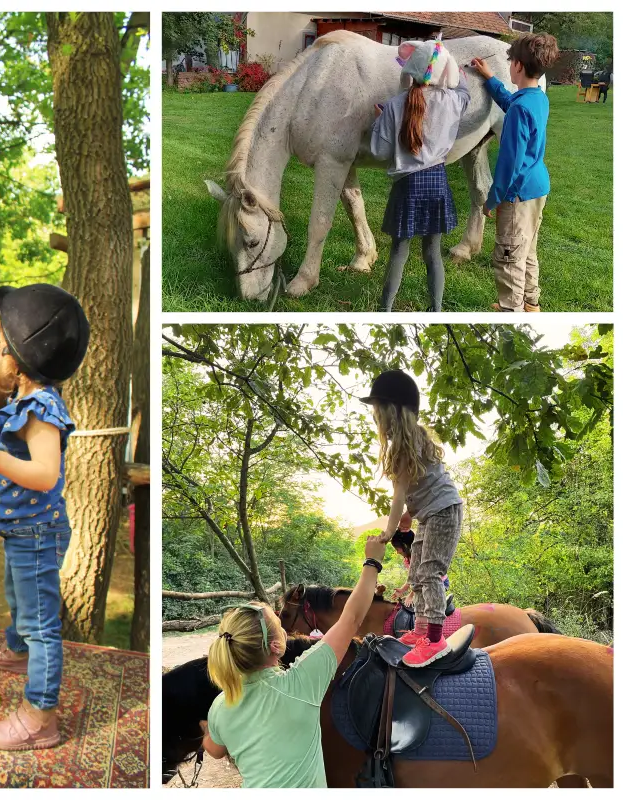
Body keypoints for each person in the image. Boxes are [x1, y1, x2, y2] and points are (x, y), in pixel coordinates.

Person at [0, 283, 90, 751]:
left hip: (36, 534)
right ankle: (17, 653)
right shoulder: (25, 403)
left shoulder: (42, 409)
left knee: (41, 624)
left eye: (3, 345)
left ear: (19, 359)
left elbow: (43, 473)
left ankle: (40, 717)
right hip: (22, 530)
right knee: (18, 602)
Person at [198, 537, 388, 787]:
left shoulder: (220, 706)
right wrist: (372, 561)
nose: (282, 623)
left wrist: (207, 730)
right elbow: (351, 619)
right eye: (278, 623)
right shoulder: (301, 683)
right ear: (276, 646)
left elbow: (215, 749)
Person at [362, 369, 464, 667]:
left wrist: (389, 530)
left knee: (430, 572)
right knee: (416, 572)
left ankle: (434, 639)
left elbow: (398, 494)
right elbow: (423, 484)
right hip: (430, 513)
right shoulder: (415, 440)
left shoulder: (405, 447)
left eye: (378, 410)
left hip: (443, 512)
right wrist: (410, 514)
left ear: (392, 412)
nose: (376, 417)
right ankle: (420, 629)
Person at [371, 40, 470, 312]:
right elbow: (464, 91)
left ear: (411, 68)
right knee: (433, 253)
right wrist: (457, 70)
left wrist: (380, 120)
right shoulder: (452, 100)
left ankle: (385, 311)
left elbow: (379, 152)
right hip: (437, 183)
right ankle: (436, 310)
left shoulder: (394, 105)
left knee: (398, 253)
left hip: (407, 186)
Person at [470, 33, 560, 312]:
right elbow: (512, 104)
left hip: (517, 194)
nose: (508, 67)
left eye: (510, 62)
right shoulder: (537, 99)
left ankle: (511, 310)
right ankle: (531, 303)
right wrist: (490, 79)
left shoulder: (521, 108)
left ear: (518, 66)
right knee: (527, 247)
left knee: (509, 254)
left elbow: (509, 164)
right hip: (537, 188)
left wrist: (493, 200)